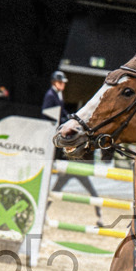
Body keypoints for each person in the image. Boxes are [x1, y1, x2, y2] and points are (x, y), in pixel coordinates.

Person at [43, 70, 104, 225]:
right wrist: (64, 121)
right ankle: (61, 156)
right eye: (60, 82)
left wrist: (70, 118)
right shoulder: (50, 95)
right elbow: (48, 112)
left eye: (63, 82)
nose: (63, 84)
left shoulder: (58, 95)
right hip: (51, 128)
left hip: (59, 125)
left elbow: (61, 111)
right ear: (54, 82)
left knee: (58, 187)